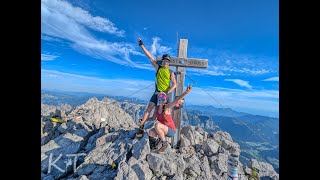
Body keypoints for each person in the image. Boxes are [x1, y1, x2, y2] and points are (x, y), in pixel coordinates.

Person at [136, 38, 177, 137]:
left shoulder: (171, 72)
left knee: (164, 112)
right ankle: (141, 128)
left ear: (169, 63)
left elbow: (175, 84)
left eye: (167, 61)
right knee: (149, 109)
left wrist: (168, 92)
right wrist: (142, 46)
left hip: (164, 95)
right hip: (157, 92)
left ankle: (163, 131)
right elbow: (150, 57)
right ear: (162, 61)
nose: (165, 63)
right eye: (164, 61)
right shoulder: (158, 68)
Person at [145, 85, 192, 153]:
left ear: (165, 99)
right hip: (162, 129)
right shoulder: (157, 108)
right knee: (151, 132)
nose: (161, 100)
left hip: (171, 130)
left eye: (163, 98)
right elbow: (152, 118)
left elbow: (176, 101)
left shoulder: (166, 107)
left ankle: (164, 144)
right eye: (160, 98)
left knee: (157, 124)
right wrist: (144, 120)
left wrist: (186, 92)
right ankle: (156, 145)